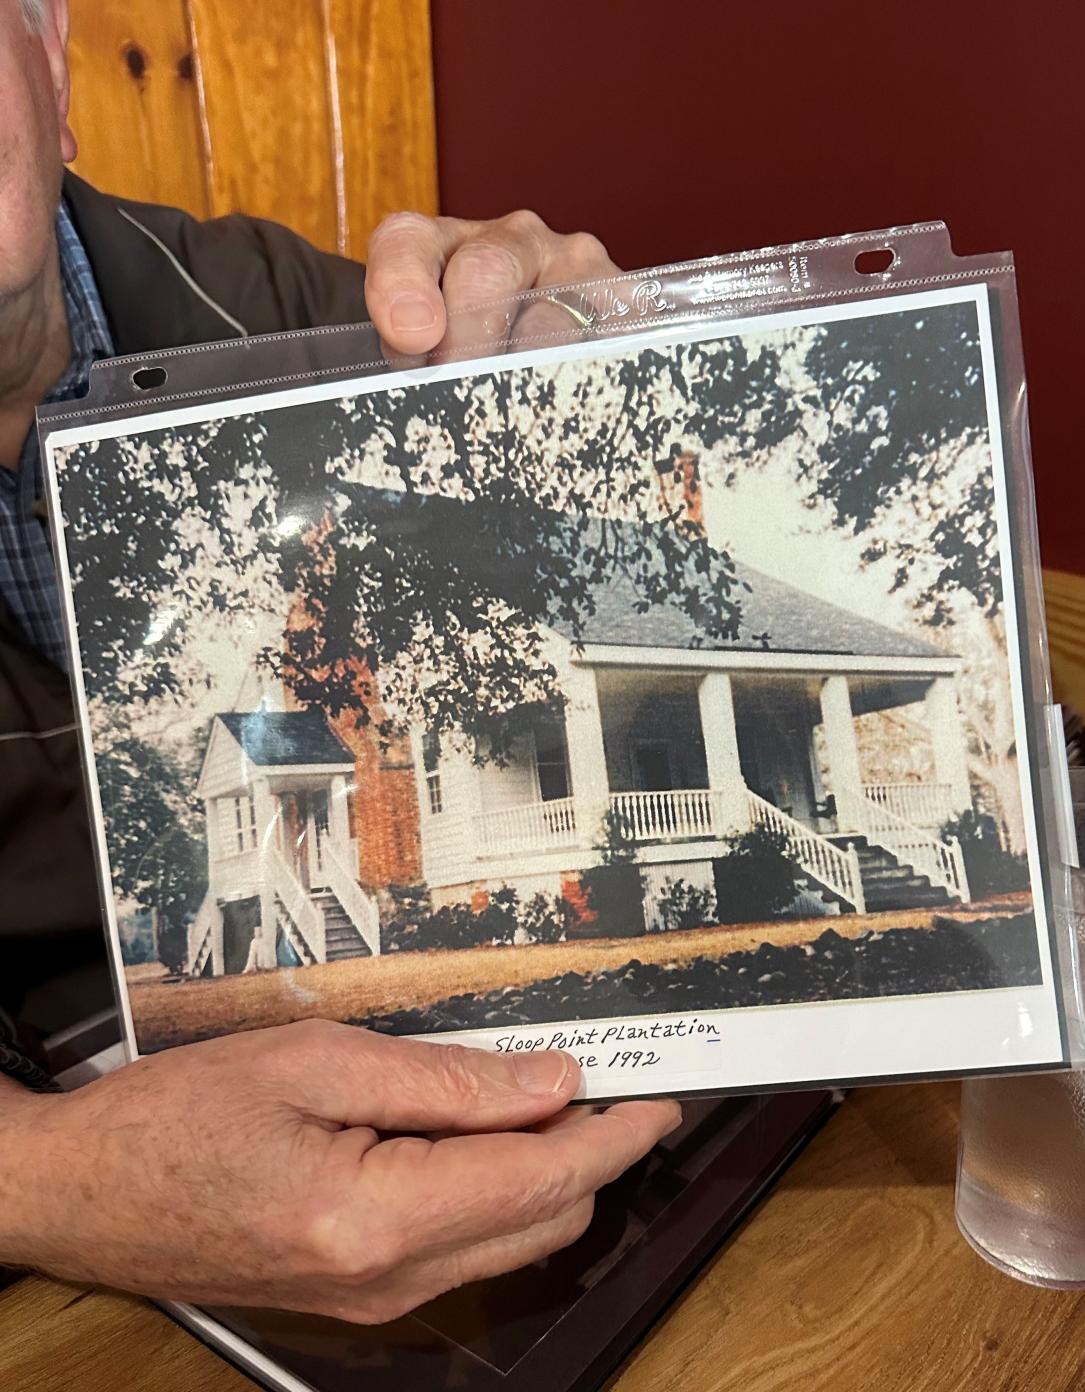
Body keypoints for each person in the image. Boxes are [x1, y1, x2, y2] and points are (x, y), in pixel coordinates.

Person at [0, 0, 680, 1321]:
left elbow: (606, 647)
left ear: (49, 60)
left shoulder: (329, 327)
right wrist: (44, 1179)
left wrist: (607, 395)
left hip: (501, 1117)